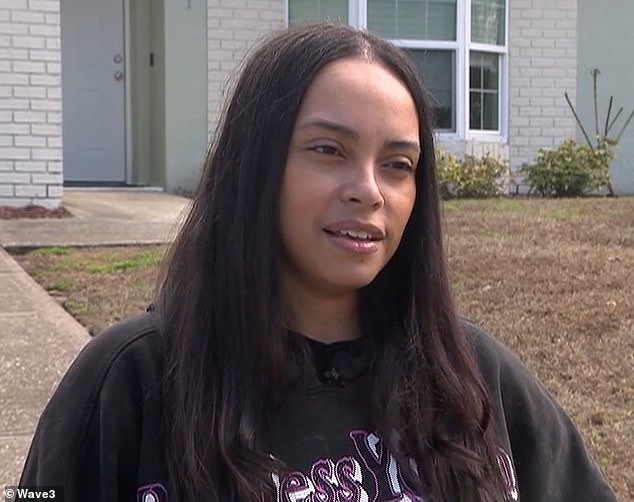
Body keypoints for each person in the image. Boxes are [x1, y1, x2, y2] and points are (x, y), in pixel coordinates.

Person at [18, 23, 616, 502]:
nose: (369, 191)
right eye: (329, 150)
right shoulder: (128, 381)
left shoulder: (473, 377)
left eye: (398, 165)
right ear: (256, 166)